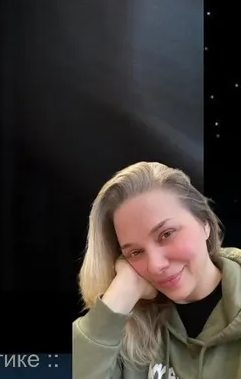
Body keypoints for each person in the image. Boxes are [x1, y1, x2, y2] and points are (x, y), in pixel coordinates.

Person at [73, 161, 240, 378]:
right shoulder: (127, 329)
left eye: (167, 234)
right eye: (135, 252)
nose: (155, 265)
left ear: (204, 223)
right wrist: (124, 291)